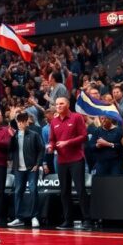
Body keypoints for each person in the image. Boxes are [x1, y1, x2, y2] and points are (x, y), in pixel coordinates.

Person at [48, 97, 91, 230]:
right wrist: (51, 147)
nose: (58, 106)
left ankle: (87, 220)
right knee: (64, 191)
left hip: (76, 159)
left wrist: (67, 142)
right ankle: (68, 220)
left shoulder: (76, 117)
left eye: (61, 103)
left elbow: (84, 136)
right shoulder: (54, 121)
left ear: (67, 104)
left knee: (80, 189)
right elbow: (52, 139)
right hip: (61, 161)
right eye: (57, 104)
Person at [7, 113, 45, 228]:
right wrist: (11, 137)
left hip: (31, 168)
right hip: (18, 168)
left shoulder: (34, 135)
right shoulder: (14, 135)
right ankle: (19, 217)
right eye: (18, 122)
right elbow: (10, 150)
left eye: (22, 122)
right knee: (18, 191)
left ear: (26, 122)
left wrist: (37, 164)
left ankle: (34, 217)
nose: (20, 124)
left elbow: (41, 149)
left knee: (33, 190)